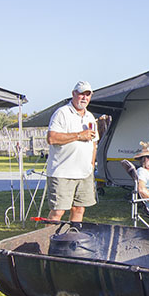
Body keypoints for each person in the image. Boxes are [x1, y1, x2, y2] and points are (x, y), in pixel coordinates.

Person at [46, 81, 99, 223]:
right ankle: (49, 237)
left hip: (84, 173)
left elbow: (94, 143)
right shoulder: (62, 113)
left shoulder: (90, 117)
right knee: (58, 211)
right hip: (62, 172)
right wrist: (79, 135)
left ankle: (73, 235)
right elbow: (52, 138)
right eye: (81, 94)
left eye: (88, 95)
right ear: (73, 94)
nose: (84, 98)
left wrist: (91, 165)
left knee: (79, 209)